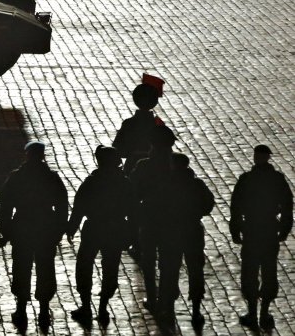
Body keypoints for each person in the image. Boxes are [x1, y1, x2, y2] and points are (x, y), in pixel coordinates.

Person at [0, 140, 68, 330]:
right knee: (45, 268)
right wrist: (59, 230)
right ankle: (44, 308)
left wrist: (6, 231)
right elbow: (62, 205)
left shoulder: (16, 177)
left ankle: (21, 308)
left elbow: (5, 207)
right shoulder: (52, 178)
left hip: (22, 227)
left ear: (27, 155)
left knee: (21, 267)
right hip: (46, 227)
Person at [66, 145, 133, 327]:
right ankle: (103, 306)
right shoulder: (125, 183)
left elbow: (79, 206)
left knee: (84, 265)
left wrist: (72, 227)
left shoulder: (91, 182)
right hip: (116, 227)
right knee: (110, 266)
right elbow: (133, 210)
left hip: (93, 227)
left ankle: (86, 306)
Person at [230, 144, 293, 330]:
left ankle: (252, 311)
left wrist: (236, 229)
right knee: (269, 270)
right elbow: (287, 205)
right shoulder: (277, 180)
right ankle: (265, 312)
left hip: (251, 229)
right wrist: (284, 228)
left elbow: (236, 207)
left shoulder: (246, 179)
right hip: (269, 229)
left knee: (249, 270)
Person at [156, 153, 214, 326]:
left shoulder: (165, 184)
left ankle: (167, 307)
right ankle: (196, 309)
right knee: (195, 269)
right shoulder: (197, 184)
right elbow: (208, 204)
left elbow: (156, 206)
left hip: (170, 231)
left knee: (169, 269)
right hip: (192, 230)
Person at [128, 125, 177, 312]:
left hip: (149, 219)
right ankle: (167, 295)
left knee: (148, 260)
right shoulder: (176, 168)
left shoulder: (143, 166)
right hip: (172, 221)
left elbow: (132, 192)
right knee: (169, 261)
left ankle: (152, 296)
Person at [113, 74, 166, 175]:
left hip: (132, 165)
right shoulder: (158, 124)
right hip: (155, 168)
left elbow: (118, 148)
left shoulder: (129, 123)